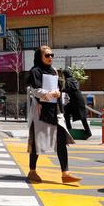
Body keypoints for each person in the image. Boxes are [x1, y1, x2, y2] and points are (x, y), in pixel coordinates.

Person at [26, 46, 81, 184]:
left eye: (52, 55)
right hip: (40, 111)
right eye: (47, 55)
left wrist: (57, 92)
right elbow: (35, 90)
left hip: (55, 110)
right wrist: (50, 94)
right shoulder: (35, 71)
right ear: (40, 57)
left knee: (61, 139)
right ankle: (32, 171)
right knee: (37, 141)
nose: (50, 57)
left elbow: (58, 87)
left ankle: (65, 173)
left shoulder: (54, 71)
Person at [63, 68, 92, 139]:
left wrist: (63, 90)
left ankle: (87, 132)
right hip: (77, 100)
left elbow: (71, 89)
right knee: (69, 112)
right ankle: (69, 130)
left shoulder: (68, 80)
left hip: (76, 101)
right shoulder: (74, 79)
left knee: (81, 116)